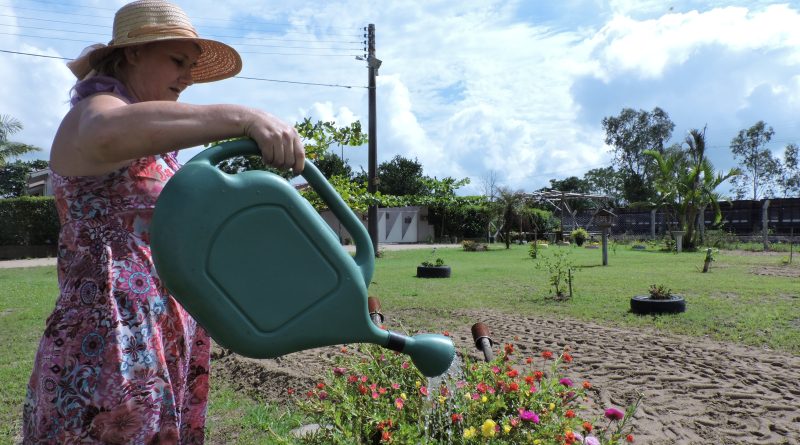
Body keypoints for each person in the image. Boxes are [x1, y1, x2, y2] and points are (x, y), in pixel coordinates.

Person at [21, 0, 304, 443]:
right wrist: (244, 117)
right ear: (132, 53)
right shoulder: (94, 113)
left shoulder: (152, 138)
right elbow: (106, 132)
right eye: (177, 61)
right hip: (109, 335)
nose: (188, 77)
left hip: (155, 330)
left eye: (192, 66)